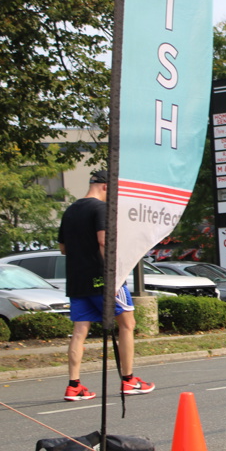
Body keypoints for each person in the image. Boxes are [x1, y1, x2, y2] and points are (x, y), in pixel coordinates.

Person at [57, 170, 154, 401]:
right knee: (127, 324)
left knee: (79, 331)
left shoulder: (70, 211)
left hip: (77, 280)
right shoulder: (100, 208)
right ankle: (129, 380)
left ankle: (74, 385)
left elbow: (63, 248)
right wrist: (113, 275)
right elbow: (104, 241)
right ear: (105, 187)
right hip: (103, 279)